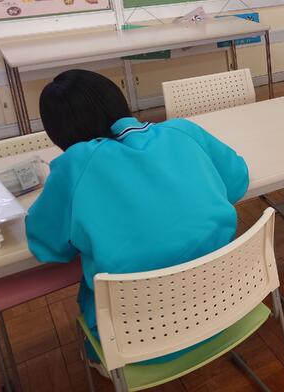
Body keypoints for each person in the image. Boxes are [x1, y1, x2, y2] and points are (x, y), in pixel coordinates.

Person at [26, 70, 249, 368]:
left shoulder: (73, 166)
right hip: (226, 308)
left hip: (134, 345)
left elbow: (48, 246)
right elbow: (236, 182)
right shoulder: (183, 131)